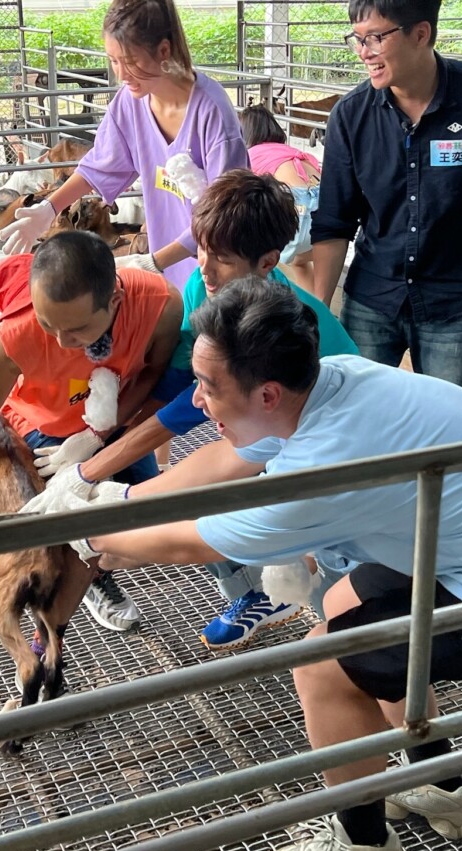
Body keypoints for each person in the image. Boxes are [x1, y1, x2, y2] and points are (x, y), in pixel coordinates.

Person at [66, 280, 462, 851]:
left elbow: (202, 541)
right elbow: (227, 461)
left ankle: (365, 849)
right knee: (339, 604)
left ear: (266, 393)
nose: (197, 400)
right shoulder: (332, 378)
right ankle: (438, 778)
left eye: (208, 387)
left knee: (322, 666)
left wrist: (90, 541)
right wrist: (113, 497)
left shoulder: (327, 462)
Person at [25, 169, 359, 648]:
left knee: (324, 574)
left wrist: (96, 480)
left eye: (221, 258)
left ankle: (338, 618)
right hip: (269, 426)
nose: (203, 267)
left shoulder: (267, 318)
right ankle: (265, 592)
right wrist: (103, 436)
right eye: (201, 248)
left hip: (331, 437)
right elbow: (181, 384)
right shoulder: (210, 288)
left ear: (268, 262)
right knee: (211, 496)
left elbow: (190, 408)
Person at [0, 230, 182, 631]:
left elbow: (152, 374)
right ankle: (92, 574)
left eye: (75, 329)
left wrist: (98, 434)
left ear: (114, 301)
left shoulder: (161, 305)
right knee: (73, 511)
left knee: (155, 508)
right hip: (42, 427)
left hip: (115, 416)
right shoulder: (13, 338)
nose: (60, 341)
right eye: (47, 323)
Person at [311, 0, 462, 392]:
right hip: (372, 298)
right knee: (355, 417)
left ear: (421, 33)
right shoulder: (350, 115)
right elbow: (334, 222)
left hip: (454, 303)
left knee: (451, 434)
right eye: (358, 39)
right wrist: (318, 314)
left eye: (376, 38)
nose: (364, 52)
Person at [0, 0, 248, 297]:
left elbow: (224, 219)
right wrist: (49, 208)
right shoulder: (130, 103)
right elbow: (100, 165)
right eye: (114, 61)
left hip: (216, 278)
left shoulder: (212, 114)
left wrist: (151, 262)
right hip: (167, 278)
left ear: (164, 51)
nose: (121, 74)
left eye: (130, 61)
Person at [239, 104, 323, 294]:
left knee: (265, 257)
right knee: (298, 260)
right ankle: (316, 307)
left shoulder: (252, 154)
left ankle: (279, 306)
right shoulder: (287, 150)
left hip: (298, 212)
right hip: (325, 212)